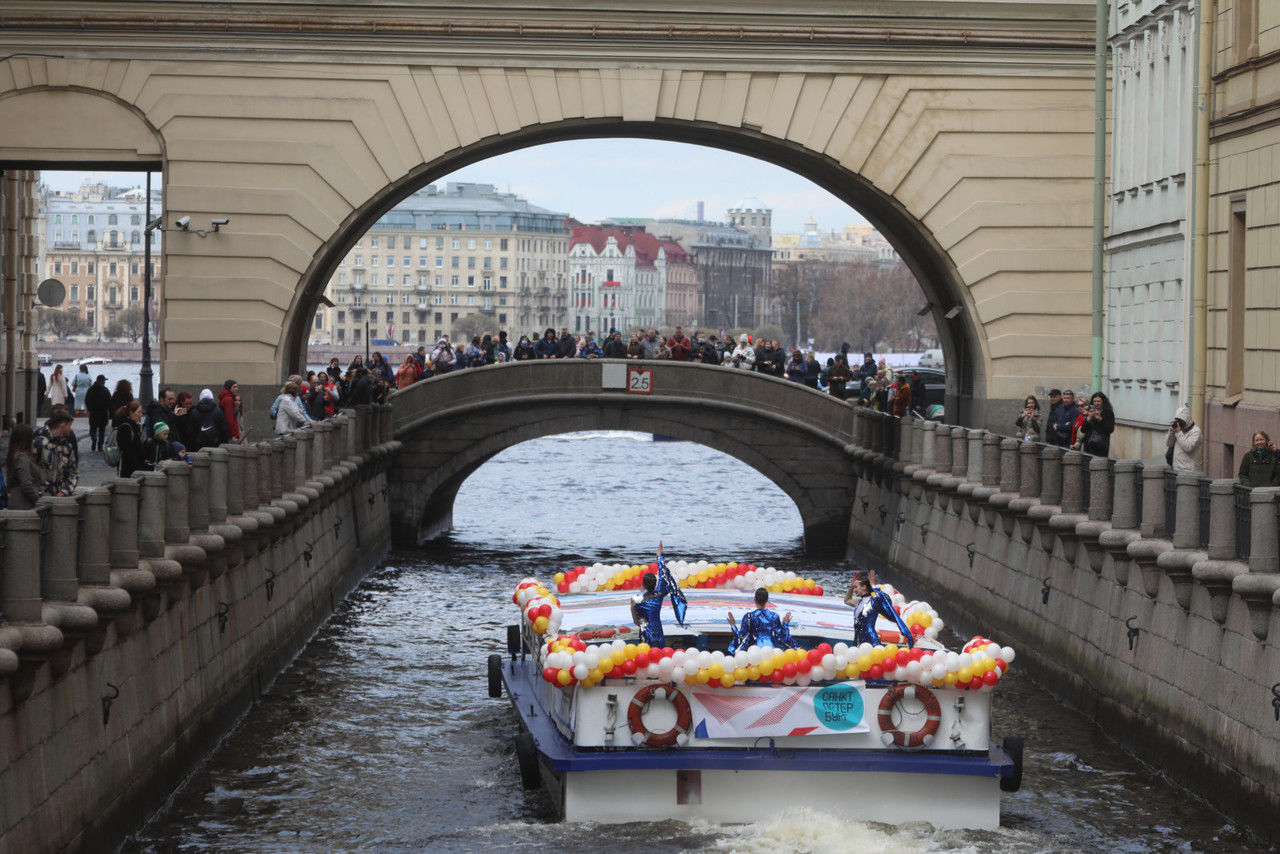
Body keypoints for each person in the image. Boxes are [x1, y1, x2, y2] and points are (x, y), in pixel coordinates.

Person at [630, 542, 687, 647]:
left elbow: (635, 621)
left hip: (644, 632)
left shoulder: (635, 600)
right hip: (657, 632)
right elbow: (663, 574)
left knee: (645, 654)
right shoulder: (659, 595)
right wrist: (659, 556)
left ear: (643, 584)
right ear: (655, 584)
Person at [843, 570, 913, 648]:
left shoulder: (873, 601)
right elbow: (847, 600)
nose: (854, 590)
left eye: (856, 587)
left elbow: (878, 594)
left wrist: (872, 584)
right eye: (854, 588)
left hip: (871, 641)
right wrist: (851, 587)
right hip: (858, 640)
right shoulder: (858, 602)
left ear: (864, 587)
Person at [726, 588, 795, 655]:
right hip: (771, 653)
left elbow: (741, 639)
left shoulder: (749, 617)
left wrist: (733, 626)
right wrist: (785, 624)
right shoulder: (774, 616)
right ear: (767, 600)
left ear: (755, 599)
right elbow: (783, 637)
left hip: (755, 653)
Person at [33, 409, 78, 497]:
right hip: (40, 497)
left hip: (60, 498)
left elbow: (73, 472)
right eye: (69, 426)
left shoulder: (67, 447)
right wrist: (37, 491)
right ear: (63, 425)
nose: (70, 429)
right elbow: (30, 469)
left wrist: (66, 490)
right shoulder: (39, 442)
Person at [5, 423, 41, 509]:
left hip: (18, 501)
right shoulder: (21, 457)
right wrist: (38, 499)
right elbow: (26, 485)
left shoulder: (14, 454)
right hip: (23, 504)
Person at [113, 400, 146, 476]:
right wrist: (137, 468)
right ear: (131, 413)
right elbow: (127, 451)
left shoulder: (134, 426)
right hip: (129, 470)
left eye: (141, 412)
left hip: (134, 469)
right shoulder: (126, 428)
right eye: (139, 412)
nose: (141, 415)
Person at [1078, 392, 1115, 457]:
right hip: (1088, 445)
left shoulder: (1108, 412)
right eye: (1094, 401)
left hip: (1101, 446)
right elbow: (1083, 430)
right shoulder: (1090, 411)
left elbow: (1110, 429)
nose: (1096, 403)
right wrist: (1088, 418)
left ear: (1103, 402)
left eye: (1098, 401)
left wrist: (1100, 419)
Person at [1167, 405, 1202, 472]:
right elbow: (1169, 444)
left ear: (1187, 419)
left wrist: (1178, 432)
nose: (1180, 423)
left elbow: (1188, 447)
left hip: (1189, 471)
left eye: (1181, 421)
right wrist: (1171, 432)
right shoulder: (1178, 430)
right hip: (1176, 468)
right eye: (1178, 420)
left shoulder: (1196, 431)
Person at [85, 374, 112, 452]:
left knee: (93, 429)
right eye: (104, 380)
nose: (104, 382)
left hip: (93, 413)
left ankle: (94, 439)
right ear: (102, 381)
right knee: (102, 430)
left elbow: (87, 400)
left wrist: (90, 409)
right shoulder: (105, 390)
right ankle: (100, 446)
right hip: (103, 413)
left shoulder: (90, 389)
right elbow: (109, 402)